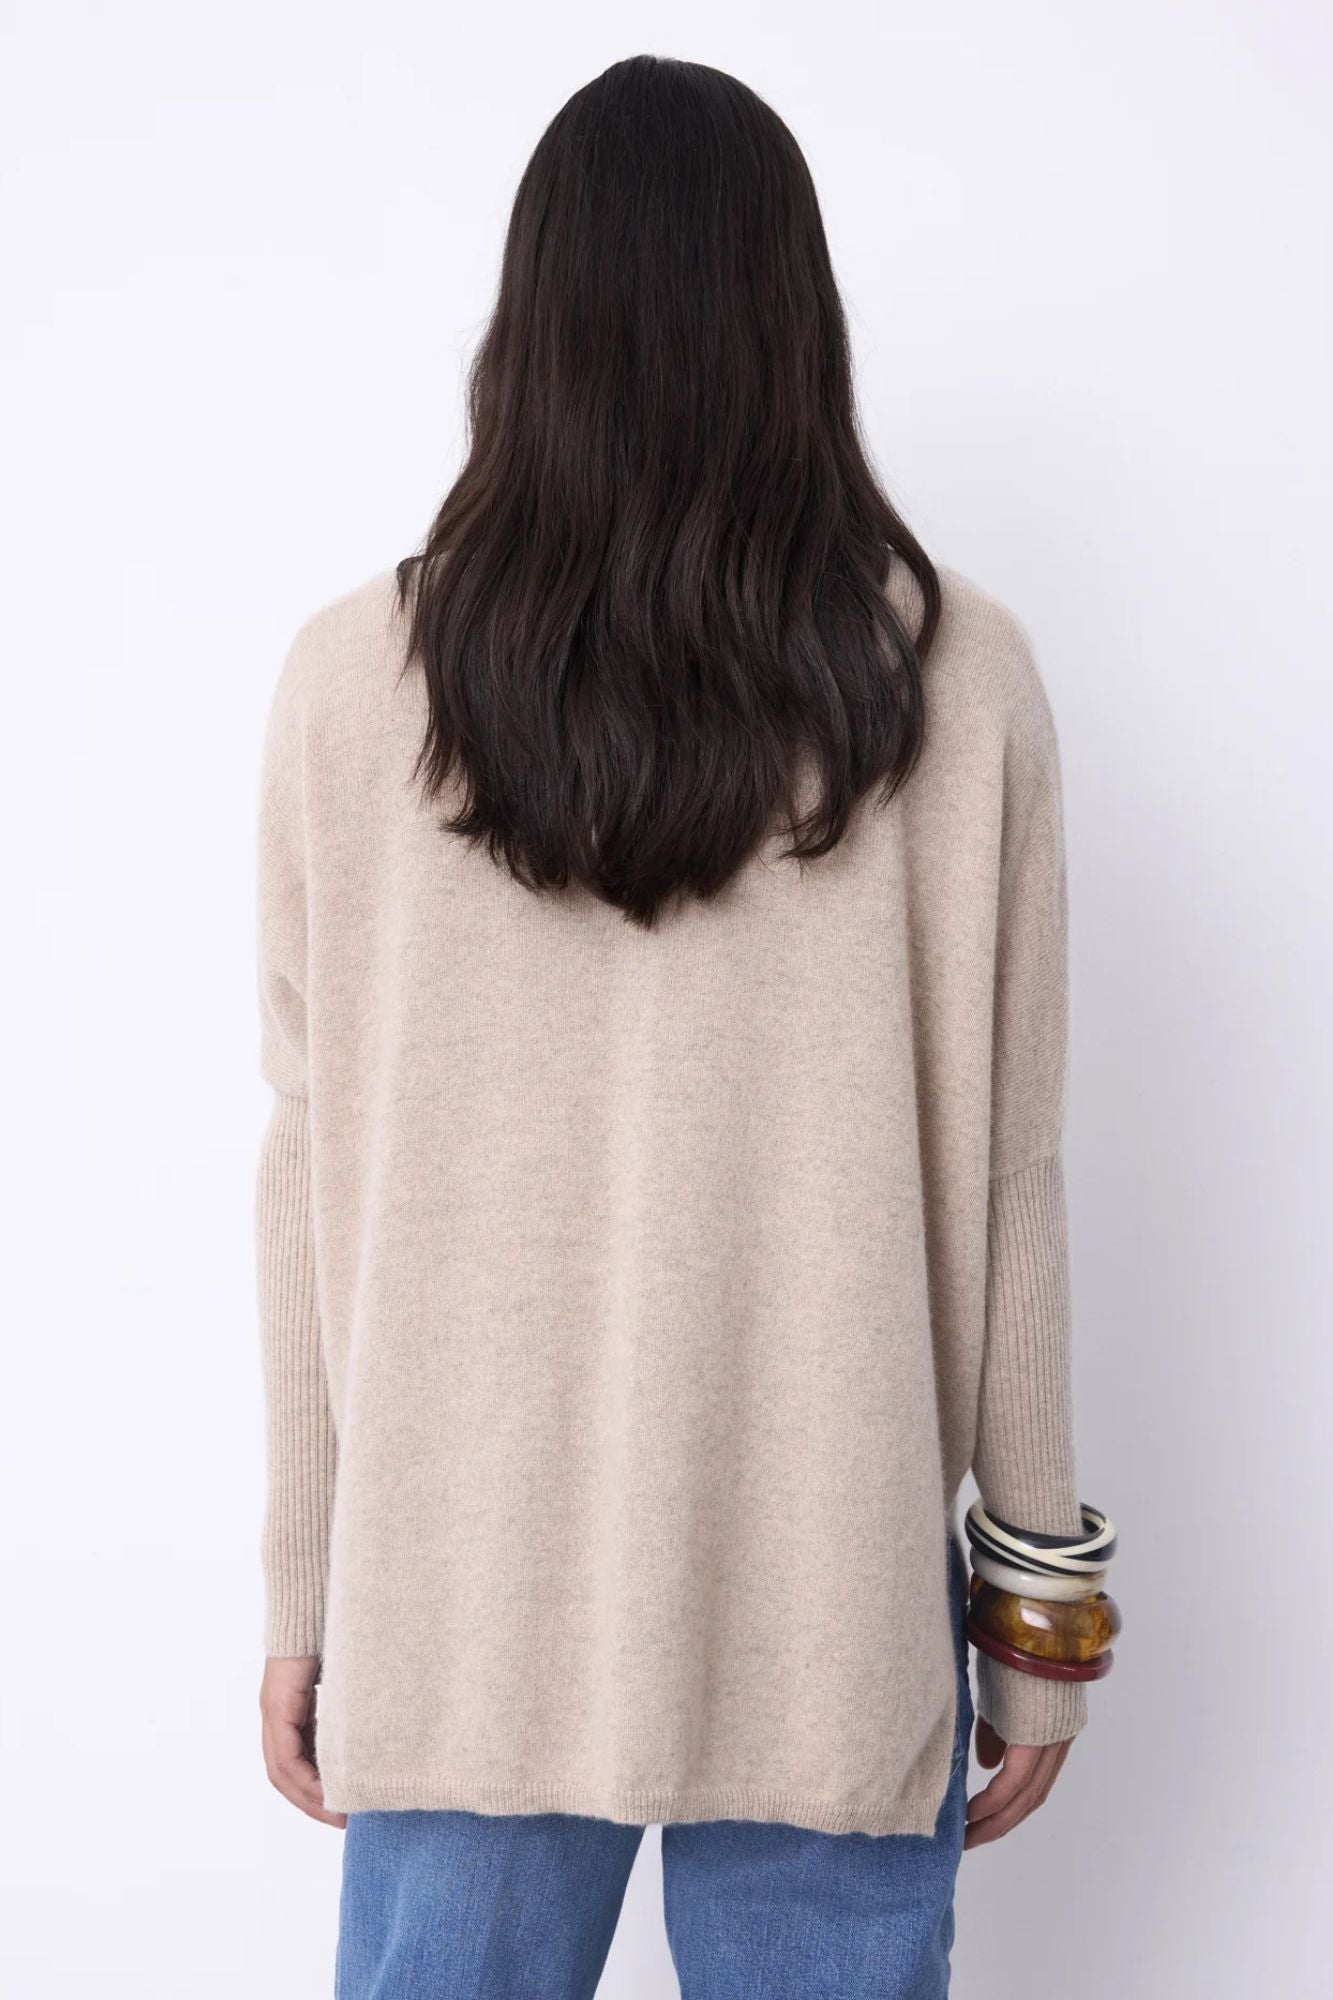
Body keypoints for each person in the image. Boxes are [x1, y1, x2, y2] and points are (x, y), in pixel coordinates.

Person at [254, 54, 1117, 2000]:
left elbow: (306, 1159)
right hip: (828, 1601)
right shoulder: (957, 680)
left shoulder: (349, 684)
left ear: (529, 325)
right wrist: (1041, 1618)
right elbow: (1012, 1179)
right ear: (791, 320)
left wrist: (304, 1584)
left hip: (457, 1605)